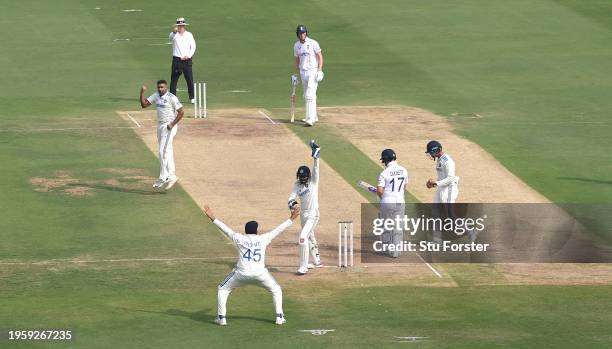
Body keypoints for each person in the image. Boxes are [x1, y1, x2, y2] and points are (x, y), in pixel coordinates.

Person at [202, 204, 300, 326]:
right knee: (276, 290)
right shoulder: (264, 238)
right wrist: (291, 219)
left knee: (222, 289)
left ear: (246, 231)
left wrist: (213, 218)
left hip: (241, 274)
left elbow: (225, 229)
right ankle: (279, 317)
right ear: (256, 231)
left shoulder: (239, 238)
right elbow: (278, 230)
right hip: (260, 274)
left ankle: (222, 318)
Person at [139, 80, 184, 190]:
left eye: (162, 87)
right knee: (167, 151)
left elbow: (181, 112)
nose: (160, 89)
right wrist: (141, 93)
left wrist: (172, 124)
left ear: (166, 87)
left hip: (169, 126)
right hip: (160, 126)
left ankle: (163, 177)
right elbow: (144, 105)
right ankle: (172, 176)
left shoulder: (172, 97)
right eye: (159, 87)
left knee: (162, 151)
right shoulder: (156, 95)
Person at [288, 140, 323, 275]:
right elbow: (291, 197)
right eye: (300, 177)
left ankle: (303, 266)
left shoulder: (313, 181)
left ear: (308, 177)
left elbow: (316, 169)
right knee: (310, 236)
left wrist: (316, 157)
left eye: (304, 177)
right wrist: (293, 204)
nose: (302, 179)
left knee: (303, 237)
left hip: (313, 214)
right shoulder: (297, 185)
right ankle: (317, 261)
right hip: (303, 215)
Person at [377, 149, 408, 257]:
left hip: (388, 202)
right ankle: (396, 252)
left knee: (386, 225)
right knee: (398, 227)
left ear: (385, 160)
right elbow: (404, 186)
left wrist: (383, 197)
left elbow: (380, 191)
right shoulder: (404, 170)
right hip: (400, 201)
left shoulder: (384, 173)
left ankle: (386, 248)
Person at [293, 25, 324, 127]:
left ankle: (310, 120)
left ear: (306, 33)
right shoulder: (296, 45)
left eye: (303, 33)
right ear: (298, 34)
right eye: (300, 33)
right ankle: (311, 116)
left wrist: (319, 70)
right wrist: (296, 74)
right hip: (303, 72)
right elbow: (297, 60)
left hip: (312, 71)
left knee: (310, 94)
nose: (302, 35)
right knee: (306, 94)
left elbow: (320, 57)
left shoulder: (313, 43)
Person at [169, 17, 196, 103]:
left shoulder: (189, 35)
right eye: (179, 26)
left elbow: (193, 46)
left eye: (182, 26)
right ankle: (173, 98)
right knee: (174, 79)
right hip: (177, 60)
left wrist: (188, 55)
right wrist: (174, 31)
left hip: (187, 60)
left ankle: (192, 97)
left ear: (184, 26)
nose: (181, 27)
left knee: (189, 79)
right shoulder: (174, 35)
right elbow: (170, 37)